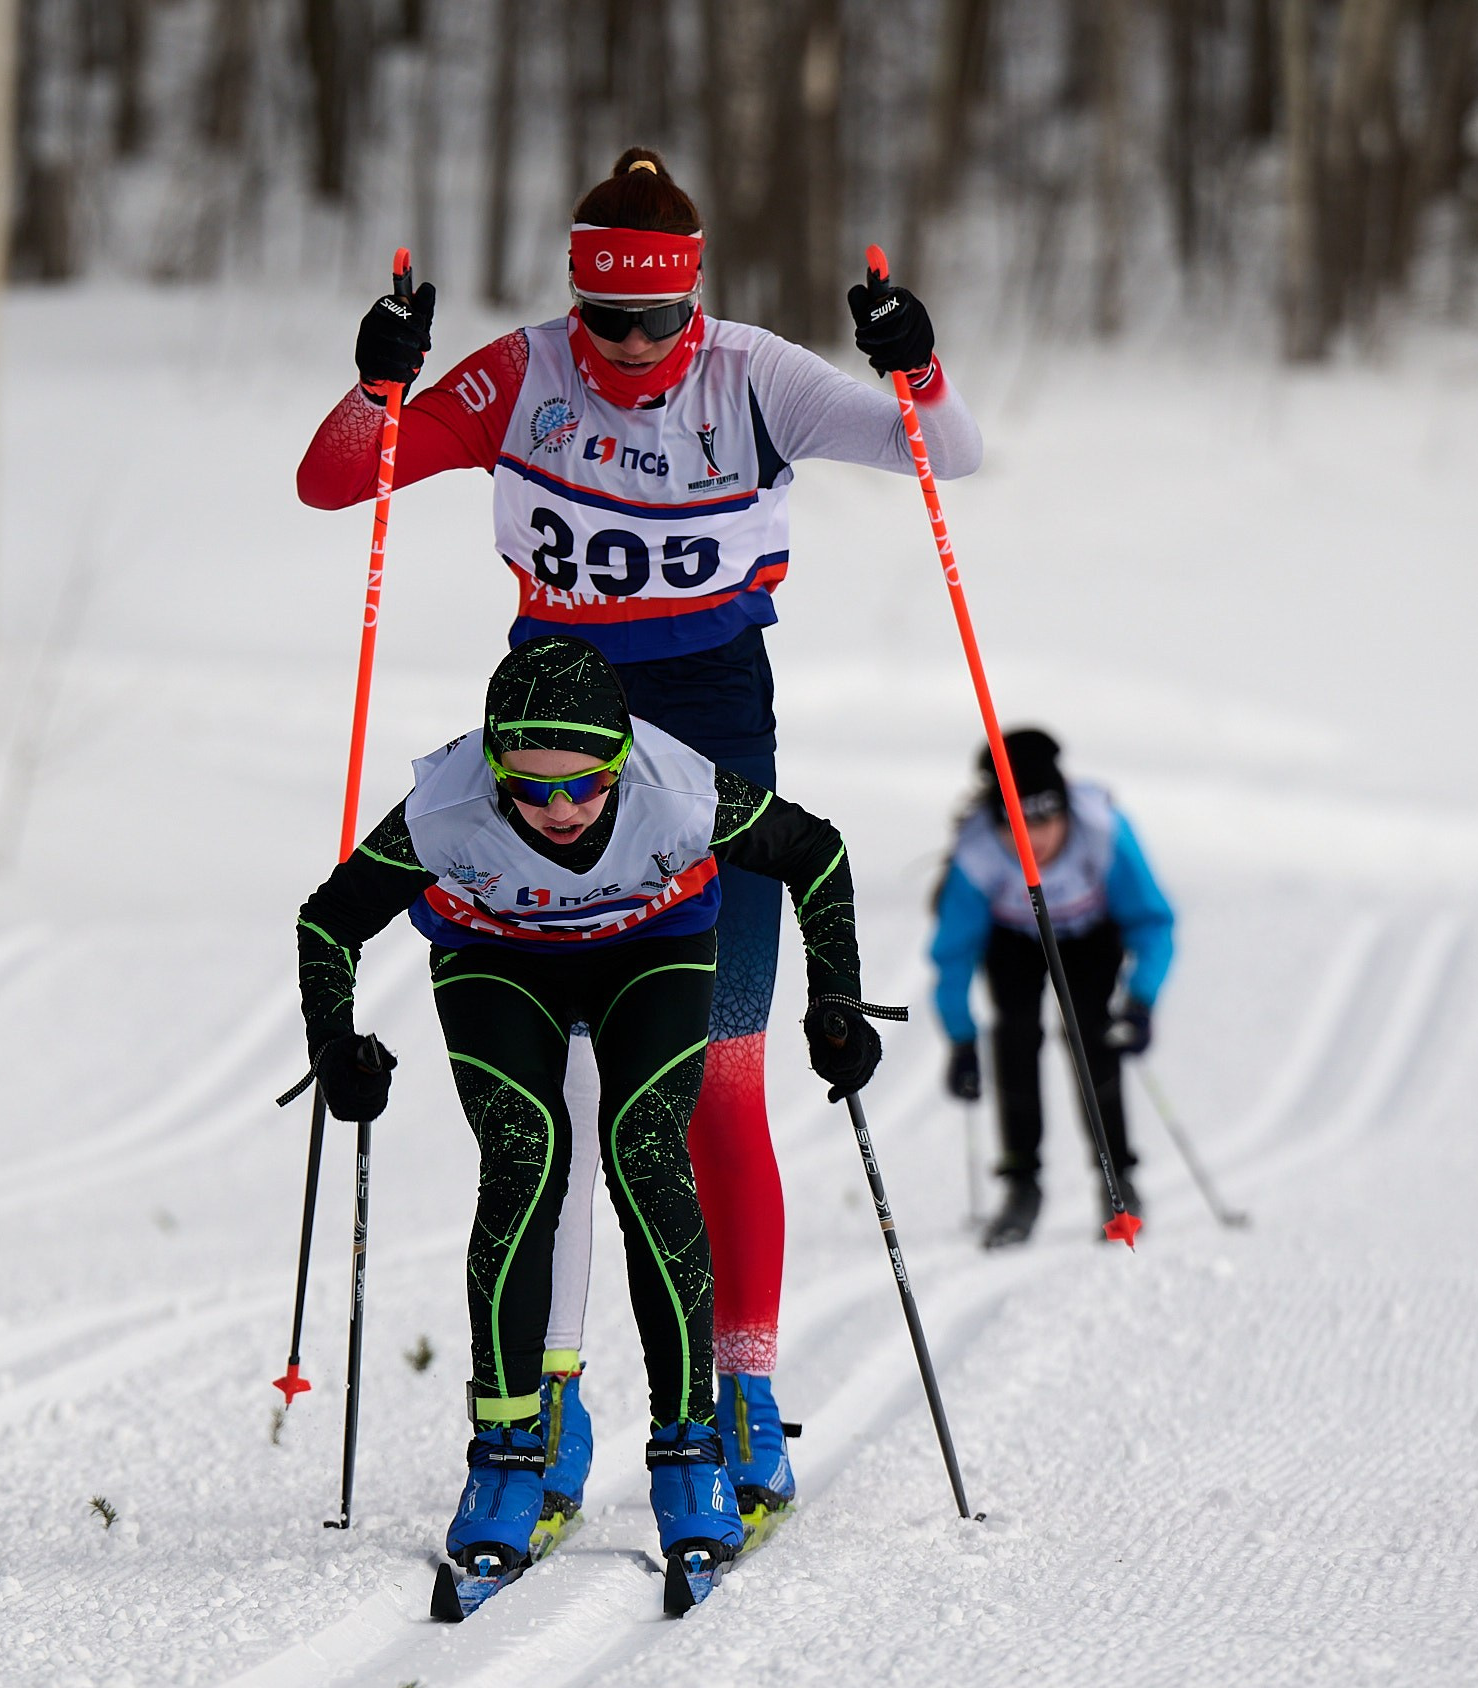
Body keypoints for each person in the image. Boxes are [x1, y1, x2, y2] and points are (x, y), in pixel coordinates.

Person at [295, 147, 979, 1521]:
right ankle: (550, 1394)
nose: (626, 349)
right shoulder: (519, 372)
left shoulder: (756, 376)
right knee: (560, 1106)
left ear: (693, 304)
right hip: (546, 737)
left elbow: (942, 453)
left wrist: (919, 365)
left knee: (710, 1086)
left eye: (654, 322)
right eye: (605, 320)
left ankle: (735, 1384)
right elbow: (335, 481)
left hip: (714, 731)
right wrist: (379, 387)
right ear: (574, 300)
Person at [292, 635, 886, 1596]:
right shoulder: (444, 811)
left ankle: (689, 1446)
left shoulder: (680, 790)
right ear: (494, 766)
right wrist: (335, 1047)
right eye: (530, 791)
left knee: (645, 1151)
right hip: (498, 959)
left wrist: (837, 1001)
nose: (561, 812)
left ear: (620, 761)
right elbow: (328, 919)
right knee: (524, 1161)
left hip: (648, 947)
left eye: (586, 787)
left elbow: (816, 853)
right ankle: (506, 1451)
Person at [929, 730, 1175, 1250]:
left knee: (1093, 1036)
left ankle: (1119, 1183)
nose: (1032, 840)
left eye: (1045, 820)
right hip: (1015, 939)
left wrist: (1141, 1001)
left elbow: (1152, 922)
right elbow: (953, 954)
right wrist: (961, 1039)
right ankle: (1021, 1185)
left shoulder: (1105, 832)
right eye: (1014, 827)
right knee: (1014, 1037)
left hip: (1090, 934)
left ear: (1065, 810)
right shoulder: (976, 855)